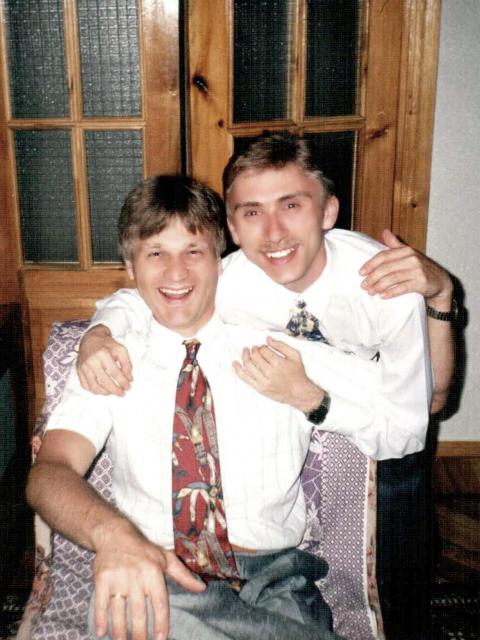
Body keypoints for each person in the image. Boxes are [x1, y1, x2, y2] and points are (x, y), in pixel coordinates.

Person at [75, 133, 455, 639]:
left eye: (292, 205)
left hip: (365, 402)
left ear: (328, 211)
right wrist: (99, 333)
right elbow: (147, 291)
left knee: (399, 487)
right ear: (233, 229)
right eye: (252, 212)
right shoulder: (230, 278)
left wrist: (312, 399)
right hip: (323, 388)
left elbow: (416, 418)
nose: (274, 233)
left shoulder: (385, 286)